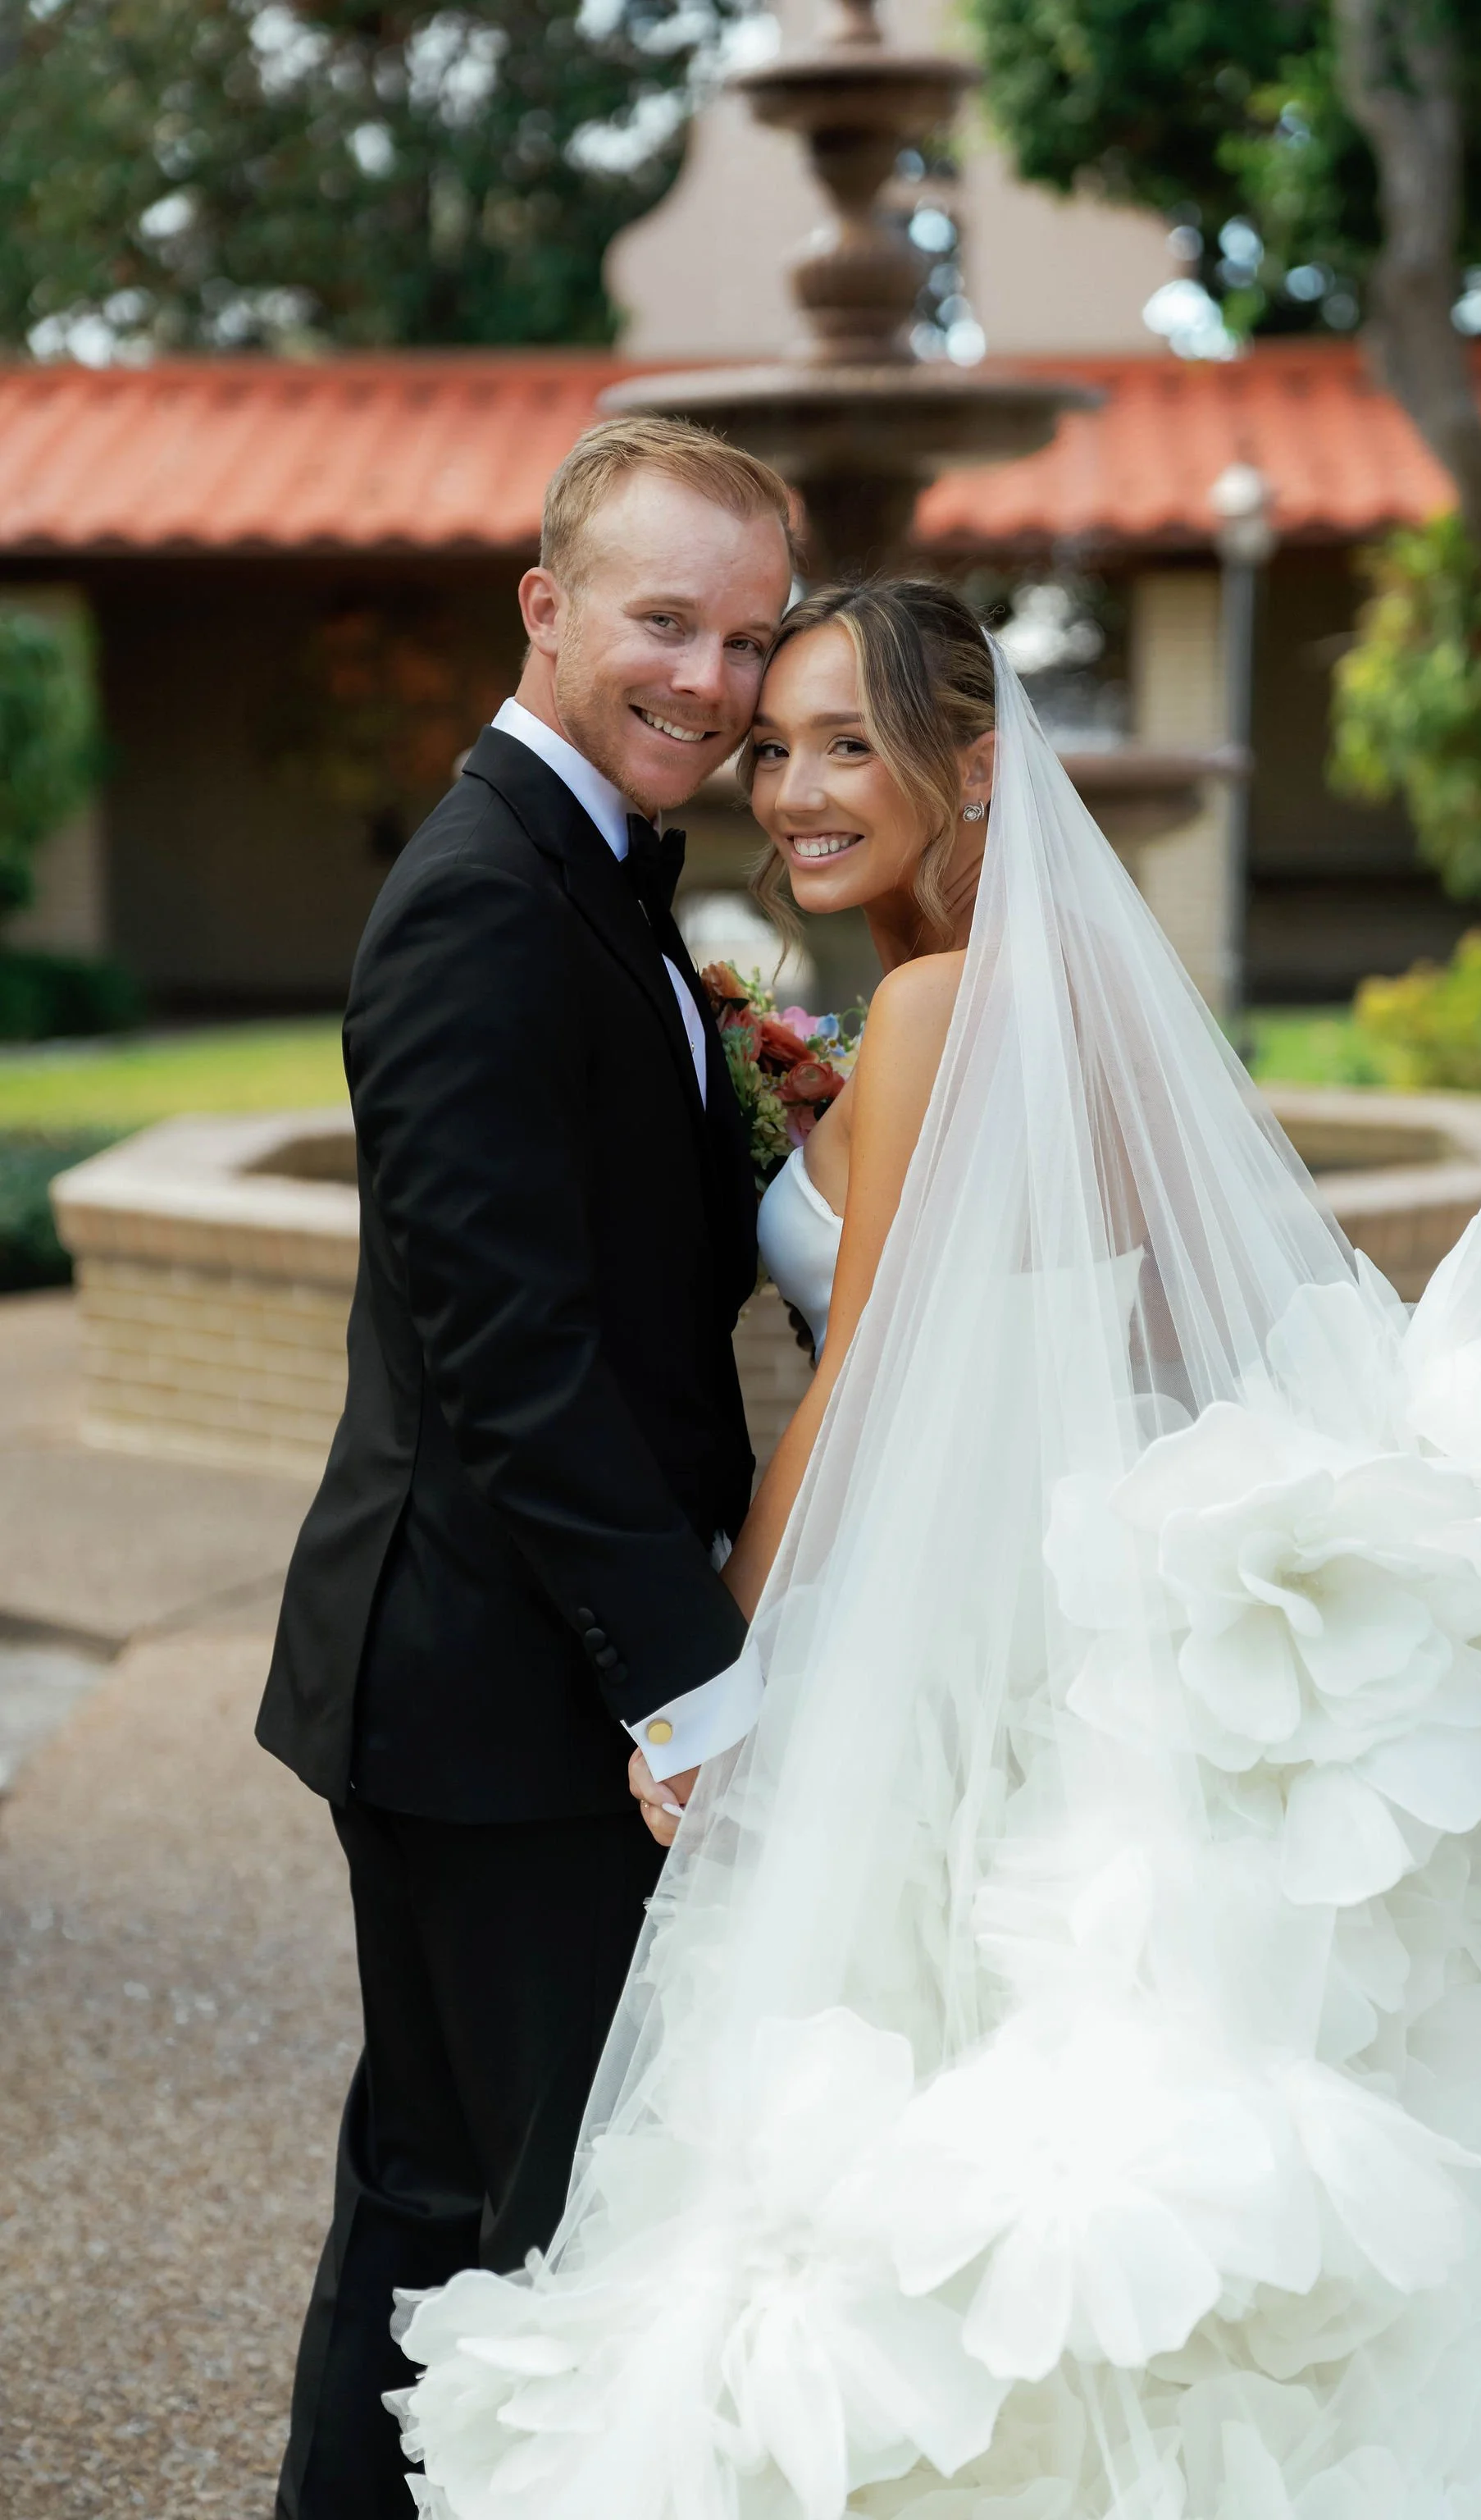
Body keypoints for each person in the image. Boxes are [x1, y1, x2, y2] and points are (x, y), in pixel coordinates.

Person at [399, 581, 1481, 2518]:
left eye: (851, 745)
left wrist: (713, 1666)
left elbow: (870, 1374)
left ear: (975, 767)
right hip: (1065, 1595)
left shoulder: (926, 1006)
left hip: (934, 1620)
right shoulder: (1050, 990)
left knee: (893, 2105)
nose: (798, 790)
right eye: (778, 746)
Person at [255, 417, 795, 2519]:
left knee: (431, 2187)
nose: (715, 683)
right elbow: (513, 1358)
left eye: (748, 639)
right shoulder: (481, 903)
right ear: (546, 609)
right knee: (546, 2220)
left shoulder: (595, 875)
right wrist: (694, 1676)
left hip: (488, 1665)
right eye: (667, 622)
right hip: (499, 1683)